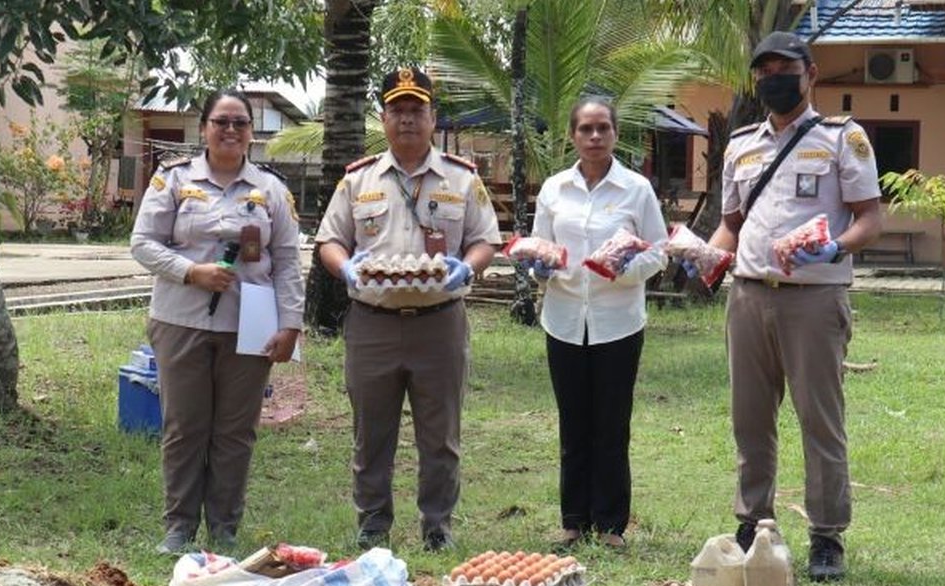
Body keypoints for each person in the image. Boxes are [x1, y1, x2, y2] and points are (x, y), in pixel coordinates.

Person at [705, 31, 881, 581]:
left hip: (814, 299)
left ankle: (827, 536)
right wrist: (702, 256)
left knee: (819, 420)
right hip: (749, 295)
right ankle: (753, 521)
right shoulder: (741, 145)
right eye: (763, 72)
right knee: (750, 420)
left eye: (784, 68)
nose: (772, 79)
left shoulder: (841, 139)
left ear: (811, 74)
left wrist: (836, 247)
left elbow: (870, 217)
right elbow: (732, 225)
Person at [316, 67, 501, 552]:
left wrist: (469, 268)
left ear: (432, 116)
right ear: (383, 117)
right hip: (372, 323)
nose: (407, 119)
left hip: (439, 322)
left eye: (416, 109)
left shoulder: (461, 179)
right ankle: (373, 523)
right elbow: (330, 240)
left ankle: (437, 525)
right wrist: (346, 269)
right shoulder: (359, 180)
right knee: (371, 432)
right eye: (397, 109)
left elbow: (486, 240)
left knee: (440, 435)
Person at [131, 88, 304, 554]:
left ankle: (224, 527)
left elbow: (287, 260)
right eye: (221, 122)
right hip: (181, 319)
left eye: (240, 123)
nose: (231, 130)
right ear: (204, 128)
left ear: (252, 132)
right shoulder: (172, 180)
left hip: (250, 324)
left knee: (235, 430)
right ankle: (179, 526)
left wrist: (291, 324)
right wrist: (192, 272)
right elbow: (143, 243)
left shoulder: (270, 189)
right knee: (185, 426)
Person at [527, 98, 669, 550]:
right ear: (572, 135)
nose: (594, 137)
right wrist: (539, 269)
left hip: (617, 321)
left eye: (603, 128)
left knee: (611, 423)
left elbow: (659, 250)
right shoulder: (554, 189)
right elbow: (539, 249)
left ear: (615, 133)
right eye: (586, 129)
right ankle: (573, 521)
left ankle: (610, 525)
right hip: (564, 318)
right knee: (573, 422)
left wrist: (621, 270)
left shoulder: (636, 189)